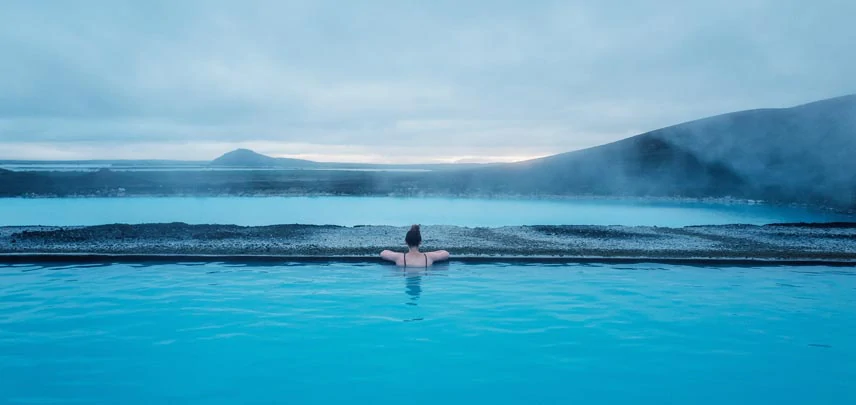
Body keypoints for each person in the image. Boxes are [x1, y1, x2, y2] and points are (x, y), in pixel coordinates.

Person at [380, 224, 450, 267]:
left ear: (406, 242)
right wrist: (432, 252)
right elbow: (446, 253)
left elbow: (383, 253)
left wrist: (397, 253)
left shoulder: (400, 257)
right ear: (420, 242)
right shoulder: (428, 257)